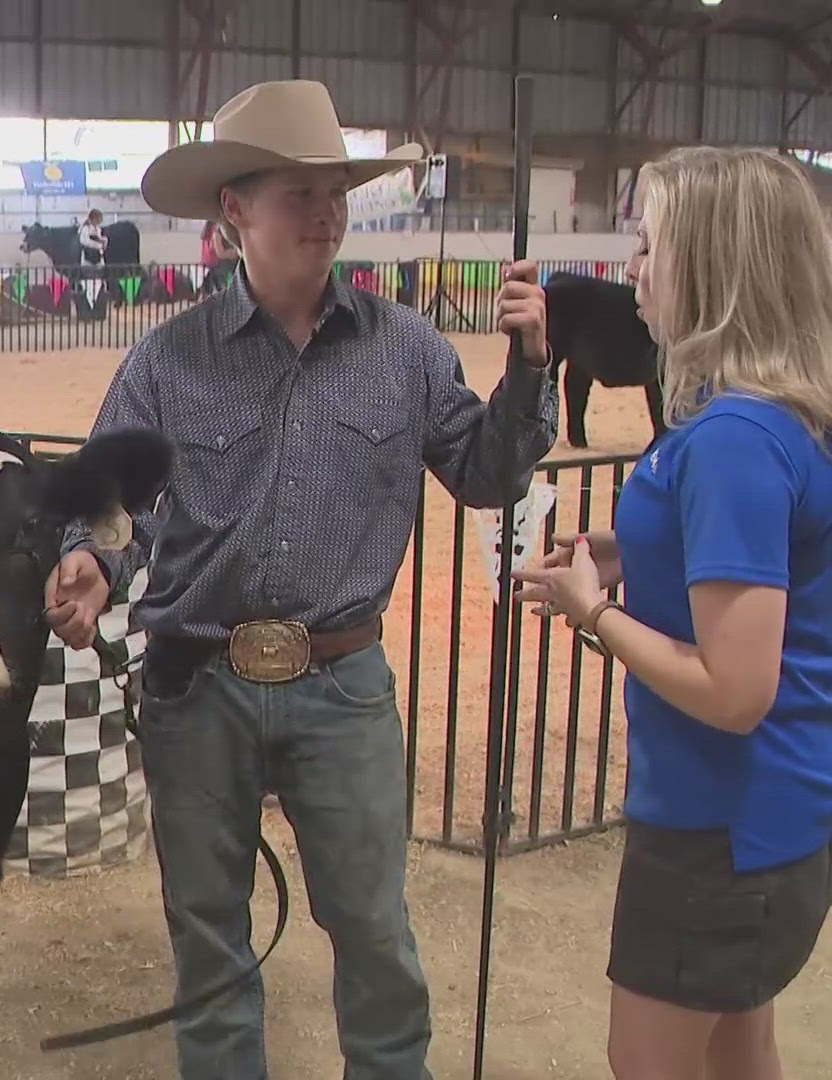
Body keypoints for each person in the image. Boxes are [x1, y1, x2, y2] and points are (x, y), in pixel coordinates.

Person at [43, 79, 558, 1080]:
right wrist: (92, 564)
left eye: (336, 192)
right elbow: (113, 502)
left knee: (372, 930)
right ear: (234, 211)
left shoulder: (406, 350)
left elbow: (487, 472)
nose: (326, 213)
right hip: (198, 689)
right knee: (208, 940)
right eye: (299, 192)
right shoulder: (166, 362)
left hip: (344, 685)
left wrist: (530, 369)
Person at [515, 146, 832, 1080]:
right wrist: (628, 550)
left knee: (647, 1061)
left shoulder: (731, 438)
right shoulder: (778, 407)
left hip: (724, 822)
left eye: (651, 245)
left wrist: (593, 612)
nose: (634, 269)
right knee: (739, 1045)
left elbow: (734, 690)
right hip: (781, 807)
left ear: (718, 265)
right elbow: (754, 559)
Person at [199, 217, 238, 296]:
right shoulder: (217, 232)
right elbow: (220, 253)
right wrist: (233, 253)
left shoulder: (207, 232)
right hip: (220, 266)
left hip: (211, 265)